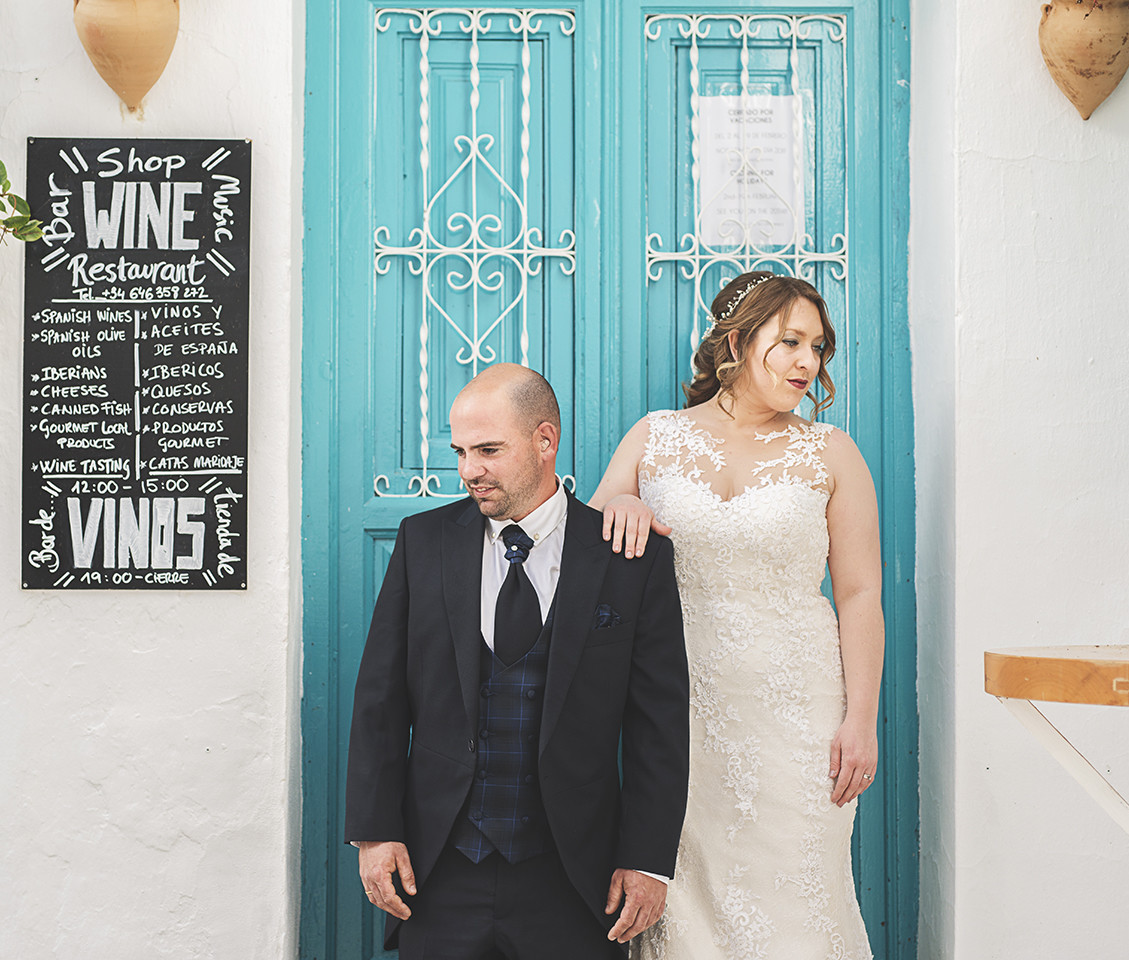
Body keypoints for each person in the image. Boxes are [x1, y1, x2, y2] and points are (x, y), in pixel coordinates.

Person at [345, 363, 693, 960]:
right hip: (438, 872)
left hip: (576, 877)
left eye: (488, 450)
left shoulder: (628, 559)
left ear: (544, 441)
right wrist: (374, 833)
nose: (467, 471)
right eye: (459, 451)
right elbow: (380, 698)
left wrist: (646, 860)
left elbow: (658, 723)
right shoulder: (422, 542)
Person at [589, 271, 883, 960]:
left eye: (818, 347)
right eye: (790, 343)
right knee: (686, 904)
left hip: (799, 717)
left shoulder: (831, 453)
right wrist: (622, 503)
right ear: (736, 341)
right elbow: (592, 530)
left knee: (801, 896)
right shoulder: (655, 437)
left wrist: (860, 720)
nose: (808, 363)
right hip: (679, 716)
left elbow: (861, 593)